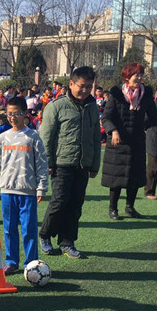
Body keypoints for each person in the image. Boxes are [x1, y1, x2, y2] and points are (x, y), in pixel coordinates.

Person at [38, 66, 101, 258]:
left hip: (83, 164)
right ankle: (45, 235)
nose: (85, 90)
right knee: (59, 201)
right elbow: (46, 138)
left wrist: (94, 163)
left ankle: (67, 242)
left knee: (75, 205)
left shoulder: (92, 107)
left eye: (89, 87)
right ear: (71, 84)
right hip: (61, 163)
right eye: (81, 86)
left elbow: (95, 136)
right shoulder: (56, 106)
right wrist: (48, 163)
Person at [101, 62, 157, 220]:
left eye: (141, 75)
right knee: (116, 178)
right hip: (118, 143)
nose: (139, 78)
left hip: (137, 142)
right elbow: (106, 117)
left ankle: (130, 207)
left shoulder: (145, 95)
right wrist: (113, 131)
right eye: (136, 75)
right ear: (127, 77)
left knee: (134, 178)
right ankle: (113, 209)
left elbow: (155, 116)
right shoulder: (117, 94)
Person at [0, 96, 48, 274]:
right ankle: (12, 262)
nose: (12, 118)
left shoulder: (33, 137)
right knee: (9, 229)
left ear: (25, 114)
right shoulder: (3, 138)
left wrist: (41, 187)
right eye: (9, 114)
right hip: (7, 191)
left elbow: (41, 165)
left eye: (17, 114)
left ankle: (31, 264)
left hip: (27, 191)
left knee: (29, 229)